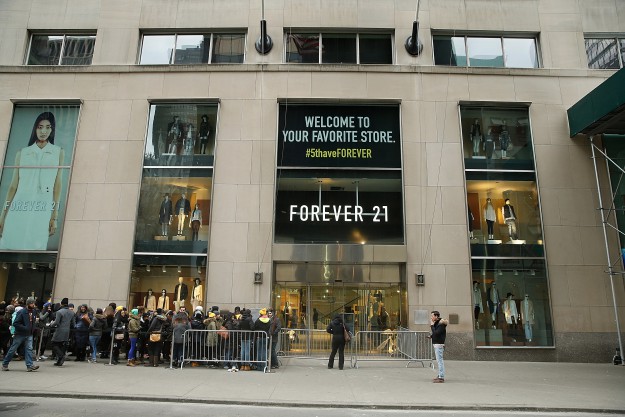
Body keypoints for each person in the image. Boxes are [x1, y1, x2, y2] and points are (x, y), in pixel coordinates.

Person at [0, 112, 65, 250]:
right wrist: (2, 216)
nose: (43, 131)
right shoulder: (22, 153)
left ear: (52, 129)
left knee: (35, 249)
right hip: (19, 207)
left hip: (43, 209)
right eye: (40, 127)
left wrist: (54, 216)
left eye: (48, 127)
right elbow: (13, 186)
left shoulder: (58, 152)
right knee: (9, 247)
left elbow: (57, 185)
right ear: (35, 129)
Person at [2, 297, 39, 372]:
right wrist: (25, 327)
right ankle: (5, 363)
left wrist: (33, 327)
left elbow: (33, 321)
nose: (33, 305)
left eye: (34, 303)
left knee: (29, 349)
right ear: (28, 304)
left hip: (29, 333)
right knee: (13, 349)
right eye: (32, 303)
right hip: (20, 334)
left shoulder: (34, 312)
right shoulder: (22, 312)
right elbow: (15, 323)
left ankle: (30, 365)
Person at [49, 297, 74, 366]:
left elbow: (56, 322)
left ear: (61, 304)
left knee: (54, 343)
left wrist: (51, 324)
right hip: (67, 330)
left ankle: (61, 356)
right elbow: (73, 323)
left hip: (60, 329)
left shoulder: (59, 312)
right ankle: (59, 361)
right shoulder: (72, 312)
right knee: (61, 345)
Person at [430, 310, 448, 383]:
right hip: (437, 343)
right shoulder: (437, 324)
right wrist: (431, 336)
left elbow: (437, 333)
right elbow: (435, 333)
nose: (431, 317)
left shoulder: (441, 324)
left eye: (432, 316)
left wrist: (431, 325)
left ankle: (441, 377)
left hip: (439, 344)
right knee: (439, 360)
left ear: (436, 316)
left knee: (440, 361)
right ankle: (440, 375)